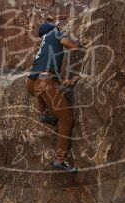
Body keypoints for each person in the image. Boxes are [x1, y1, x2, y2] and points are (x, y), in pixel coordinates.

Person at [27, 21, 84, 172]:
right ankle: (60, 160)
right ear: (54, 29)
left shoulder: (44, 45)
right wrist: (77, 44)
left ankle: (44, 113)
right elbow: (74, 47)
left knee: (44, 90)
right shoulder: (55, 34)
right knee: (66, 119)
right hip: (44, 82)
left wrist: (65, 81)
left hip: (31, 83)